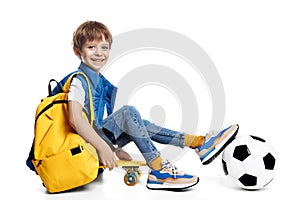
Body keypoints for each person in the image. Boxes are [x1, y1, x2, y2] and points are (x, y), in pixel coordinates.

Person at [62, 21, 239, 190]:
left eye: (104, 47)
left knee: (137, 122)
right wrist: (103, 147)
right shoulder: (79, 81)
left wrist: (114, 149)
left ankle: (199, 143)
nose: (98, 53)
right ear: (78, 52)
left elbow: (97, 125)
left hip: (92, 140)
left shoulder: (99, 81)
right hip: (79, 147)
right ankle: (159, 168)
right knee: (127, 113)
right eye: (91, 47)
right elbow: (75, 119)